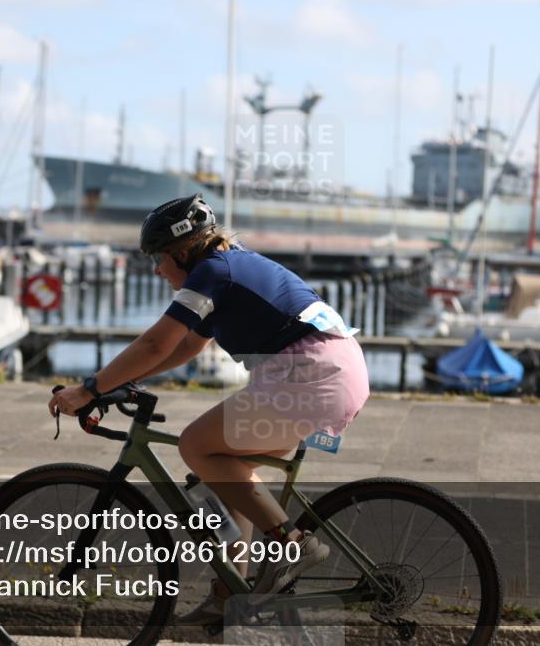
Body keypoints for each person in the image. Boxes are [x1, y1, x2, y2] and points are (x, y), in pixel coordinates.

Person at [48, 194, 370, 624]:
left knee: (196, 444)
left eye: (159, 258)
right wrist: (123, 382)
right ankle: (231, 591)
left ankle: (294, 545)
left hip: (312, 377)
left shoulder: (212, 272)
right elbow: (184, 347)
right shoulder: (226, 267)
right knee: (222, 472)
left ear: (182, 251)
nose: (158, 269)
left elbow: (154, 343)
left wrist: (89, 389)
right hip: (330, 372)